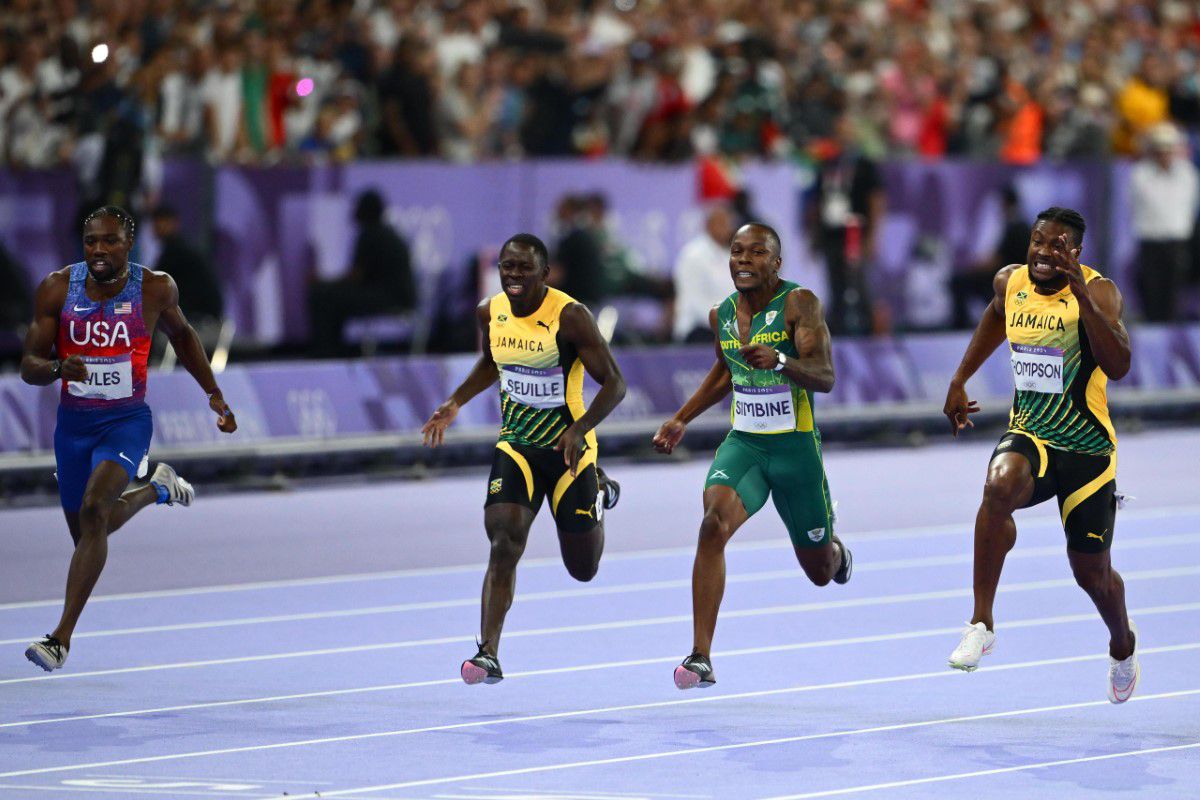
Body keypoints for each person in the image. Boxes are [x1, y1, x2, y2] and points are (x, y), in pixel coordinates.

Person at [19, 206, 237, 672]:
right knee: (87, 530)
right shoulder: (57, 288)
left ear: (129, 243)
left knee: (96, 508)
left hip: (126, 421)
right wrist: (59, 368)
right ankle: (157, 487)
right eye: (91, 241)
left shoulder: (156, 287)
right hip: (74, 427)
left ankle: (60, 639)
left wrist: (214, 394)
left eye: (110, 241)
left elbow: (184, 337)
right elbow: (29, 366)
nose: (99, 250)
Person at [943, 207, 1139, 703]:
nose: (1044, 252)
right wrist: (960, 377)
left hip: (1088, 452)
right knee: (997, 487)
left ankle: (1122, 643)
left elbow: (1118, 366)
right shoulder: (1010, 282)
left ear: (1075, 253)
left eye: (1057, 246)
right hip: (1031, 434)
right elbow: (996, 316)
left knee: (1091, 575)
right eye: (1037, 241)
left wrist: (1082, 301)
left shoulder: (1099, 292)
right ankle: (981, 623)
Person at [652, 222, 852, 690]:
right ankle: (701, 655)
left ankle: (837, 552)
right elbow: (726, 370)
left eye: (756, 253)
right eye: (737, 252)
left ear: (776, 262)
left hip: (795, 450)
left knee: (820, 573)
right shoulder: (720, 314)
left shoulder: (800, 304)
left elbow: (824, 376)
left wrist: (781, 361)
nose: (743, 260)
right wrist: (682, 417)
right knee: (711, 525)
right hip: (746, 443)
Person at [421, 233, 626, 684]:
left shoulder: (570, 317)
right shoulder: (489, 312)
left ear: (545, 274)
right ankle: (488, 652)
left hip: (569, 450)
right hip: (516, 445)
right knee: (503, 541)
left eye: (523, 269)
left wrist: (580, 428)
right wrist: (455, 402)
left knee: (583, 568)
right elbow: (492, 362)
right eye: (506, 267)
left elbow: (614, 383)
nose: (513, 276)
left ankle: (599, 490)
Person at [307, 189, 416, 357]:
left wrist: (323, 282)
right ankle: (334, 349)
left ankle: (326, 353)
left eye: (357, 207)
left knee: (323, 296)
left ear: (365, 211)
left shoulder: (370, 235)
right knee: (333, 296)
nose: (353, 211)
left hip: (391, 298)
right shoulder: (386, 233)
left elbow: (355, 278)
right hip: (397, 296)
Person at [1130, 122, 1198, 322]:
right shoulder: (1141, 174)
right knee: (1151, 291)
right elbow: (1144, 204)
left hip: (1177, 241)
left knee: (1174, 294)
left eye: (1168, 150)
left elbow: (1189, 207)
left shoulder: (1187, 174)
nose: (1164, 155)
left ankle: (1170, 335)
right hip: (1151, 240)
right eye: (1160, 150)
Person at [949, 186, 1030, 330]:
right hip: (1012, 277)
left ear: (1005, 204)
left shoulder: (1015, 228)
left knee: (959, 281)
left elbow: (997, 261)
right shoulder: (1022, 226)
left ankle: (960, 327)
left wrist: (973, 268)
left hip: (1008, 279)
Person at [151, 204, 224, 324]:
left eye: (163, 222)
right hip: (199, 309)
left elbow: (153, 284)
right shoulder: (175, 249)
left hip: (200, 312)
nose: (158, 226)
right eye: (156, 223)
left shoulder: (177, 251)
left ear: (174, 223)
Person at [673, 204, 735, 343]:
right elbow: (695, 301)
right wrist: (726, 323)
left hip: (726, 328)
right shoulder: (693, 255)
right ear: (709, 225)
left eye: (729, 224)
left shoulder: (728, 255)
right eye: (722, 224)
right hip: (697, 329)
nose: (727, 229)